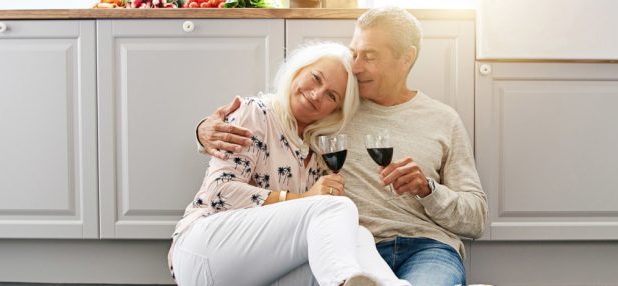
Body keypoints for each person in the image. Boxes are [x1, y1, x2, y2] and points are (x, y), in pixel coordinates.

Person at [196, 7, 488, 286]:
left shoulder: (443, 119)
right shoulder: (332, 108)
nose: (356, 67)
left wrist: (428, 190)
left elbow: (475, 219)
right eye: (354, 53)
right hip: (349, 246)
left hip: (428, 248)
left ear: (406, 58)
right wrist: (204, 130)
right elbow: (277, 113)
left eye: (370, 56)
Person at [170, 42, 408, 286]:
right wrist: (307, 198)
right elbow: (219, 192)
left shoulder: (315, 151)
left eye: (331, 95)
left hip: (256, 270)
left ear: (335, 111)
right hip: (204, 251)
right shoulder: (256, 112)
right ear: (298, 70)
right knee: (337, 208)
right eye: (315, 78)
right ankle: (342, 280)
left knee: (356, 234)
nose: (317, 94)